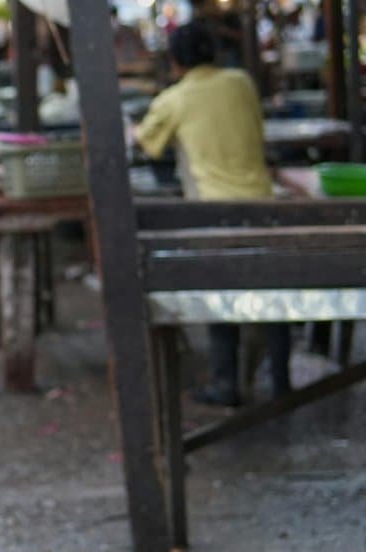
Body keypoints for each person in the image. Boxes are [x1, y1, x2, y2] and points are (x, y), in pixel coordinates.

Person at [135, 23, 291, 407]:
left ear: (174, 62)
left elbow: (148, 144)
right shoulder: (242, 83)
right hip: (264, 206)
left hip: (214, 211)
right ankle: (282, 381)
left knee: (221, 297)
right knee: (275, 292)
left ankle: (226, 384)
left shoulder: (175, 99)